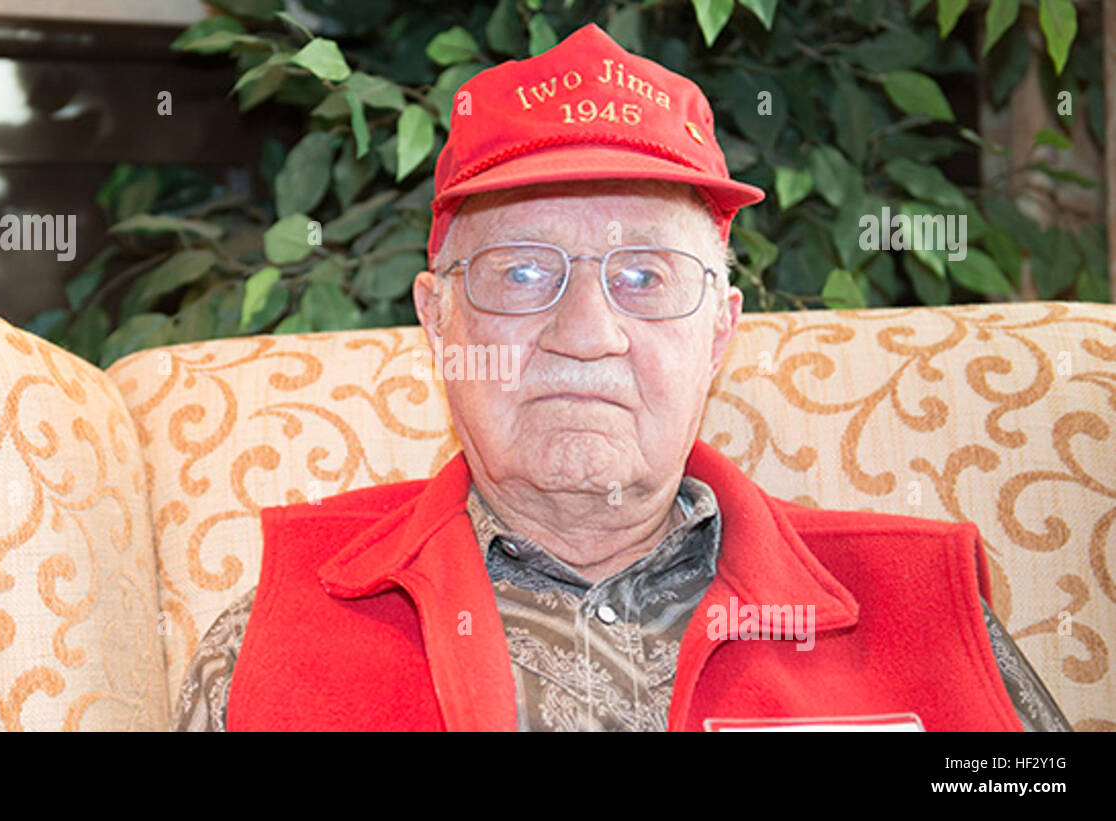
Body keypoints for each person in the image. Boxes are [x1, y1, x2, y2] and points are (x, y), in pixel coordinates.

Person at [171, 23, 1070, 732]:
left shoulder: (928, 609)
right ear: (438, 322)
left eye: (645, 275)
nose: (587, 334)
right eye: (522, 273)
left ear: (721, 330)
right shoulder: (272, 643)